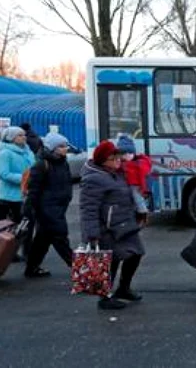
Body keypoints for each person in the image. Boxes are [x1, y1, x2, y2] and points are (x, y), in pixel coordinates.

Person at [80, 141, 147, 310]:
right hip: (107, 228)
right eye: (113, 158)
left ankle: (123, 288)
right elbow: (88, 209)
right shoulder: (94, 179)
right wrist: (92, 234)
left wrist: (139, 212)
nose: (118, 161)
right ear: (103, 160)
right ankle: (104, 297)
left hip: (124, 224)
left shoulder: (117, 173)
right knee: (111, 262)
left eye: (118, 158)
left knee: (136, 254)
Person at [22, 133, 74, 277]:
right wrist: (28, 209)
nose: (65, 149)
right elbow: (34, 190)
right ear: (52, 148)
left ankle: (31, 268)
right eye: (61, 146)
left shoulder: (63, 162)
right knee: (60, 237)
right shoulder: (41, 164)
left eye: (66, 145)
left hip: (59, 206)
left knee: (42, 240)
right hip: (47, 208)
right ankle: (80, 269)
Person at [0, 126, 36, 262]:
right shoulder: (4, 153)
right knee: (9, 227)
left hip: (25, 195)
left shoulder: (28, 151)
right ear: (11, 138)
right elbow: (2, 173)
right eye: (20, 135)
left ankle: (27, 250)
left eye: (24, 135)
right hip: (8, 196)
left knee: (27, 225)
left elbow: (34, 168)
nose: (24, 137)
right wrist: (24, 179)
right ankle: (6, 252)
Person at [117, 135, 152, 221]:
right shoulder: (123, 164)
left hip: (135, 185)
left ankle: (143, 212)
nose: (126, 156)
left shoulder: (137, 164)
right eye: (123, 154)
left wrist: (143, 188)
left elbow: (142, 178)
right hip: (128, 185)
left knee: (137, 197)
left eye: (129, 153)